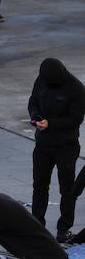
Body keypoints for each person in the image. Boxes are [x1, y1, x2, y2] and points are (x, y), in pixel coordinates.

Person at [27, 58, 85, 243]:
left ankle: (64, 227)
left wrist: (51, 123)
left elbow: (76, 119)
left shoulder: (76, 88)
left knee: (67, 188)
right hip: (43, 144)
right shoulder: (41, 80)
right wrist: (35, 116)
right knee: (39, 185)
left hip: (66, 146)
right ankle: (37, 225)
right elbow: (33, 102)